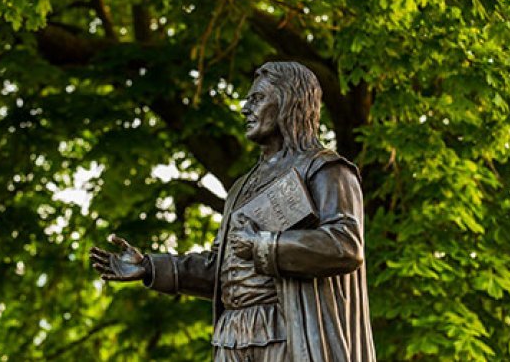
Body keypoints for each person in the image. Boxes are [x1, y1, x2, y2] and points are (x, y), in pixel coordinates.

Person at [90, 62, 376, 361]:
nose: (245, 109)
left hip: (287, 330)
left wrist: (265, 246)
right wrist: (150, 266)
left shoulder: (323, 169)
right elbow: (221, 268)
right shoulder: (241, 187)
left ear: (288, 101)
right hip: (232, 334)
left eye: (257, 99)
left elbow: (345, 245)